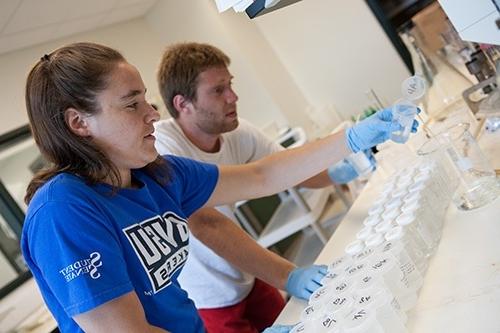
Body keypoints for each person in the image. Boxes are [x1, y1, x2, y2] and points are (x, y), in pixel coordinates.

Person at [21, 42, 415, 333]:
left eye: (147, 100)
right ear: (79, 123)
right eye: (131, 104)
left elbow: (262, 176)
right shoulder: (63, 211)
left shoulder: (156, 174)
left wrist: (352, 138)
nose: (152, 114)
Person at [153, 42, 374, 333]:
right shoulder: (162, 147)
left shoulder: (235, 131)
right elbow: (205, 224)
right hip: (207, 298)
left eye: (230, 85)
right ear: (183, 104)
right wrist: (288, 275)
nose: (233, 96)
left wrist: (338, 170)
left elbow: (289, 170)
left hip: (247, 270)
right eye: (218, 91)